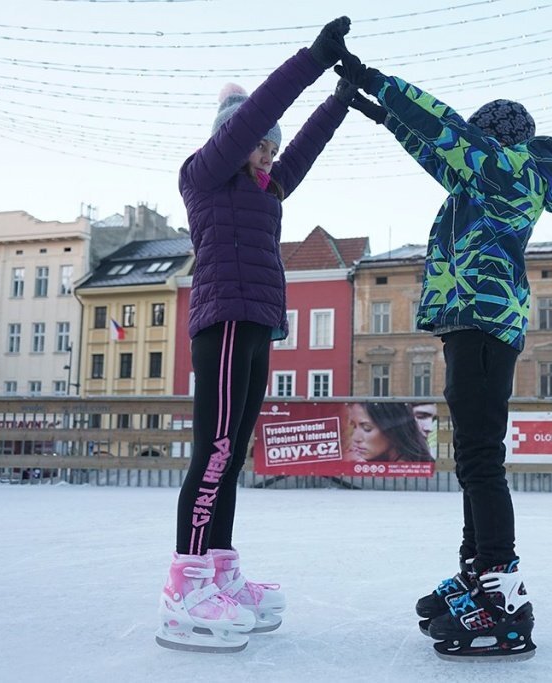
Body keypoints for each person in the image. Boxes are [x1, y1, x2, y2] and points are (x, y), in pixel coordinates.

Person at [338, 65, 552, 661]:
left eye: (481, 136)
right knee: (472, 457)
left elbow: (445, 131)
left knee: (480, 458)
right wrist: (384, 115)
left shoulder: (509, 171)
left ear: (500, 138)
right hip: (473, 324)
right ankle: (478, 573)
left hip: (485, 323)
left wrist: (381, 84)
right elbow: (436, 149)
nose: (473, 144)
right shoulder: (487, 178)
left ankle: (504, 592)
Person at [156, 17, 362, 654]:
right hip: (219, 324)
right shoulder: (205, 173)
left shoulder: (266, 189)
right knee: (213, 452)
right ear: (232, 139)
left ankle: (218, 570)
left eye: (272, 149)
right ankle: (184, 583)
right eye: (260, 145)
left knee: (233, 454)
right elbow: (256, 118)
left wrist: (341, 101)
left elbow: (299, 149)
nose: (269, 154)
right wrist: (313, 61)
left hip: (257, 326)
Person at [345, 402, 433, 463]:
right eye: (353, 427)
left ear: (392, 430)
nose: (356, 438)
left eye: (367, 428)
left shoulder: (409, 471)